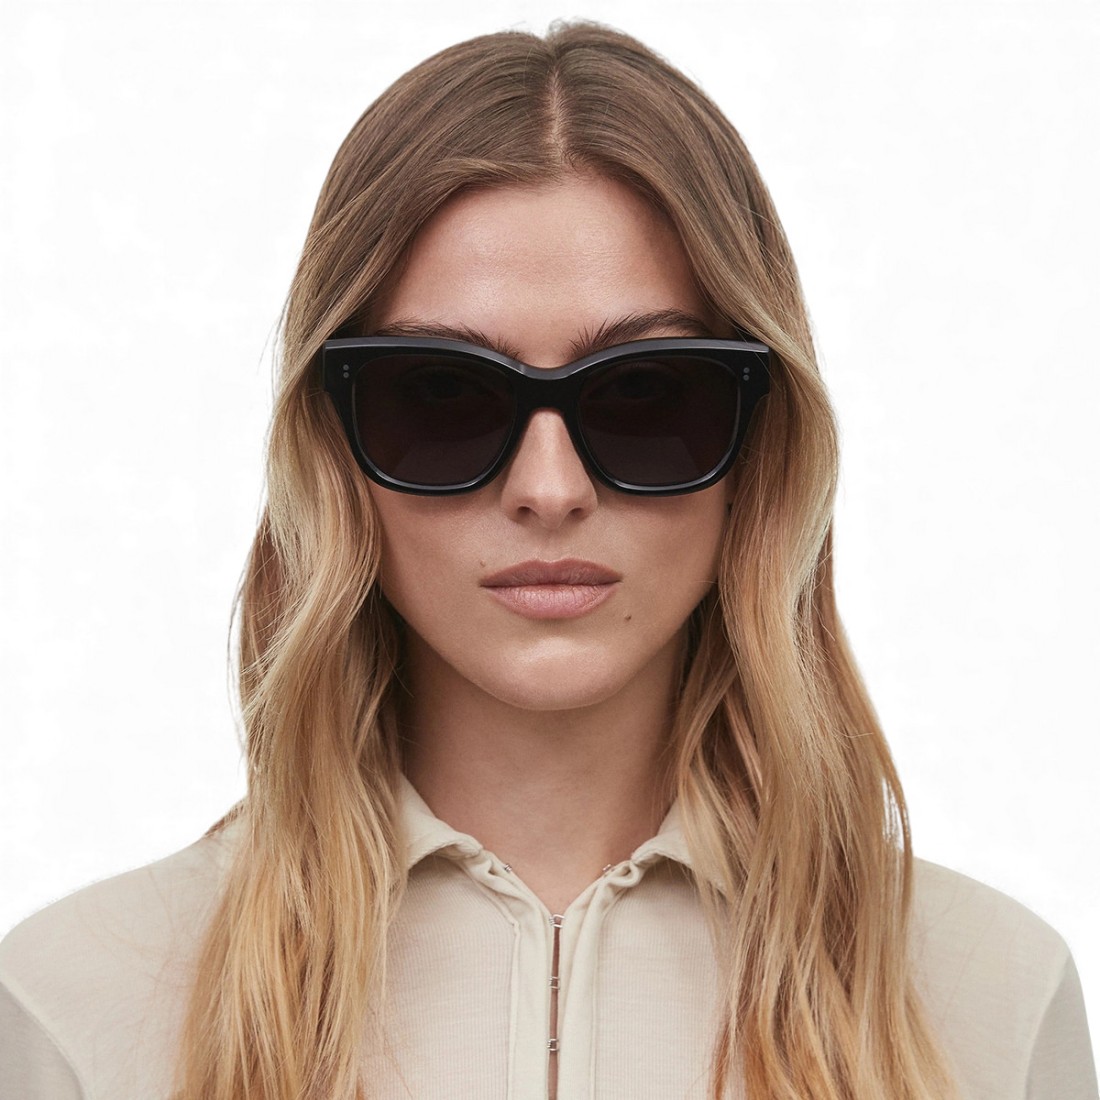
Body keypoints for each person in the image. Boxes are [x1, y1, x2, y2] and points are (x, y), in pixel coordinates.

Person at [0, 21, 1095, 1100]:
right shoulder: (82, 1006)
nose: (550, 487)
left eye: (647, 395)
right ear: (329, 447)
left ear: (761, 444)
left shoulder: (990, 998)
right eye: (440, 395)